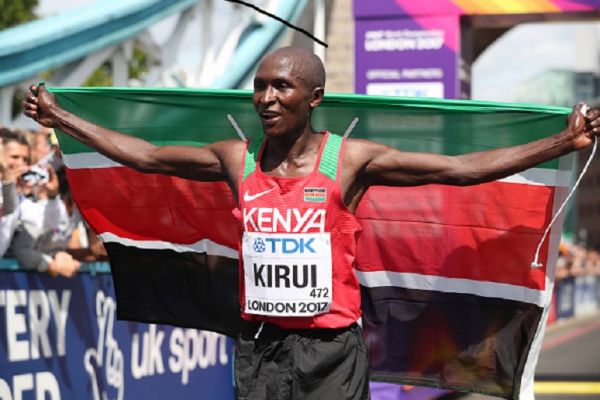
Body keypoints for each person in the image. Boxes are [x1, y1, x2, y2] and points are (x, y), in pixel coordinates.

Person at [22, 46, 600, 400]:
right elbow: (145, 156)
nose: (266, 98)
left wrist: (562, 141)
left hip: (330, 354)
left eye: (282, 86)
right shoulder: (236, 157)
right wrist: (60, 117)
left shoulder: (348, 160)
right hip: (259, 349)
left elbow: (459, 170)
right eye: (259, 86)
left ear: (314, 96)